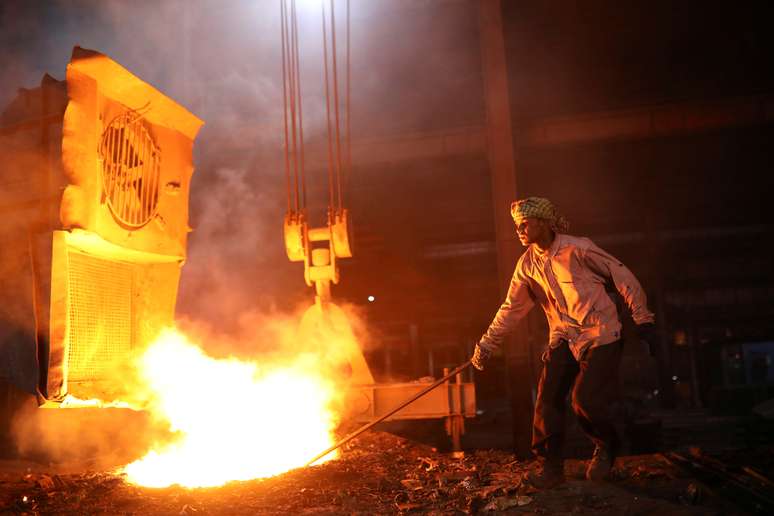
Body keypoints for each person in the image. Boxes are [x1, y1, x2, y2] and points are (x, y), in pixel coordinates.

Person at [471, 197, 657, 488]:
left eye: (524, 223)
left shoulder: (578, 249)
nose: (519, 229)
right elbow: (511, 308)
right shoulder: (527, 265)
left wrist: (642, 317)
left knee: (585, 400)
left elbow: (621, 275)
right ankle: (551, 467)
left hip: (601, 333)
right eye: (517, 225)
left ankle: (606, 446)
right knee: (546, 400)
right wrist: (487, 344)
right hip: (563, 337)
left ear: (543, 223)